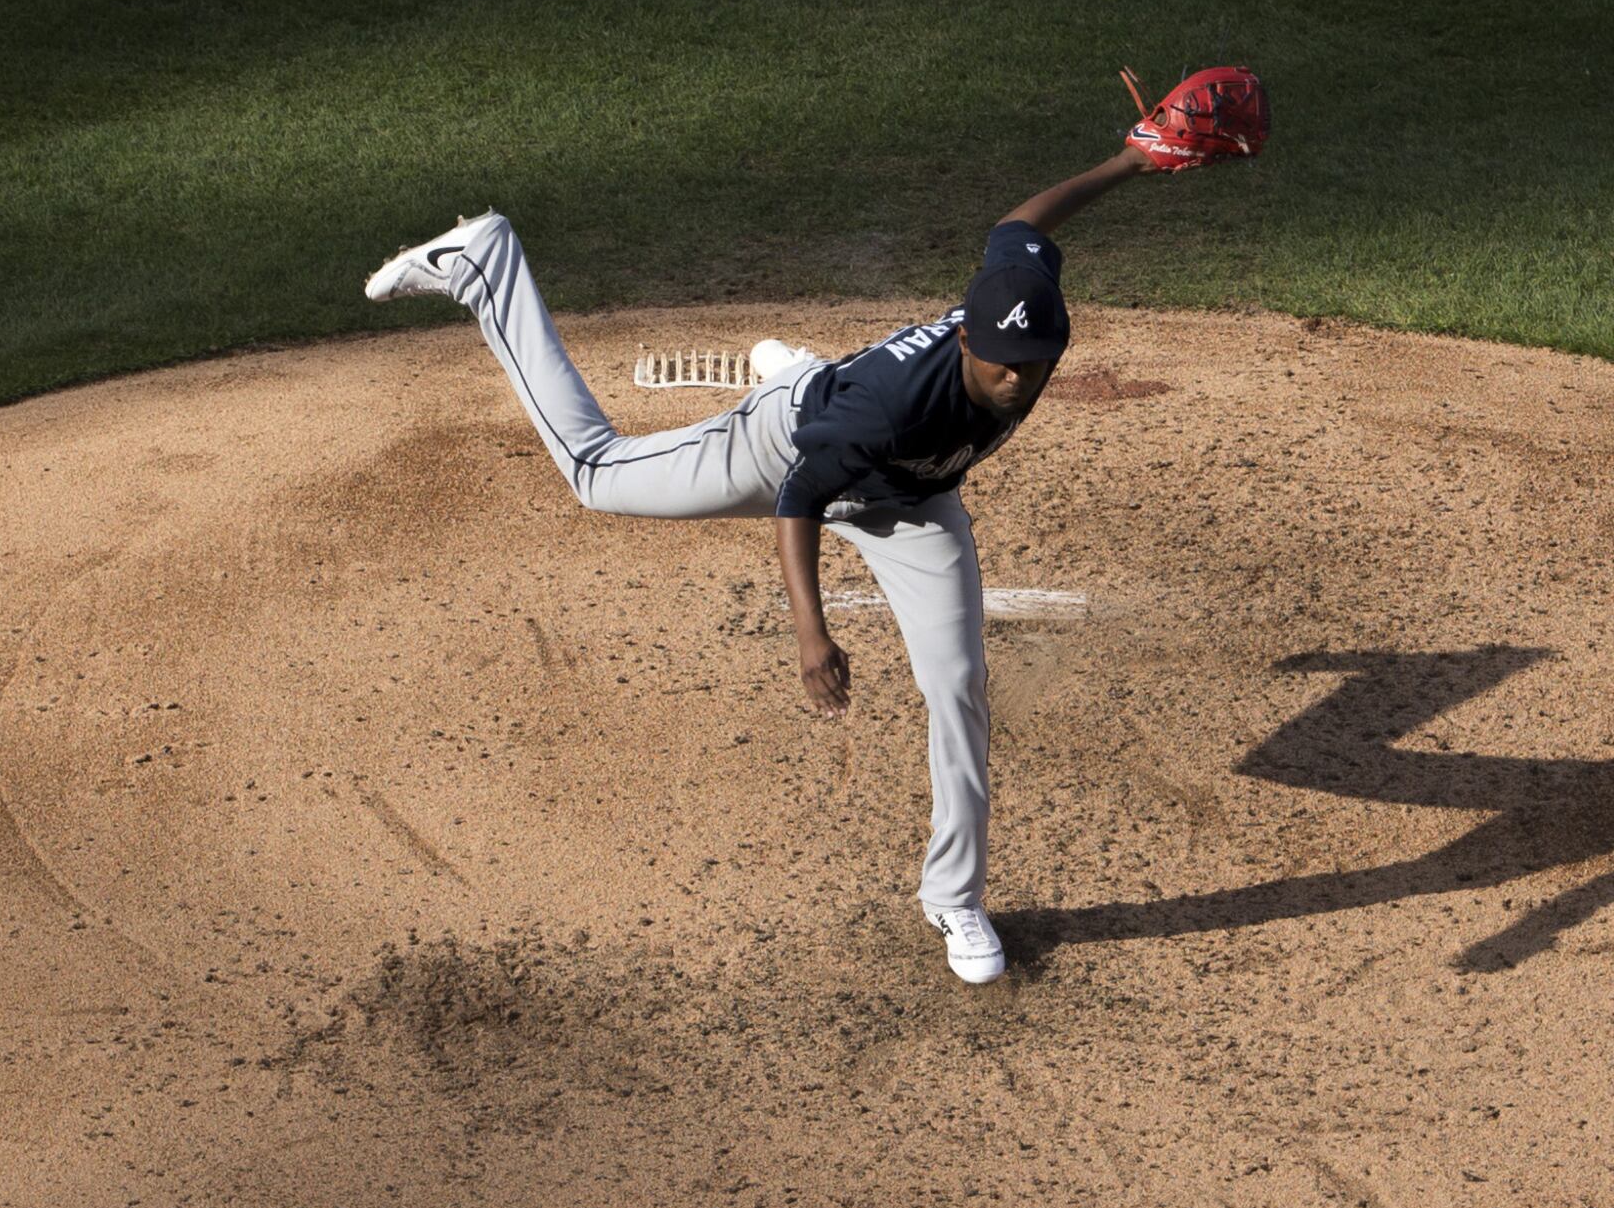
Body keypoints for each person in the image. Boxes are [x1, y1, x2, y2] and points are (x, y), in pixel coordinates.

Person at [360, 70, 1263, 983]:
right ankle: (488, 265)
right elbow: (798, 501)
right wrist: (811, 635)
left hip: (914, 502)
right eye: (1002, 369)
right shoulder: (889, 411)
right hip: (788, 447)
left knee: (958, 684)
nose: (1019, 383)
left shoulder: (1022, 312)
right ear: (964, 344)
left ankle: (956, 899)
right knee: (596, 474)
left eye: (1032, 366)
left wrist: (1130, 161)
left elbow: (1021, 229)